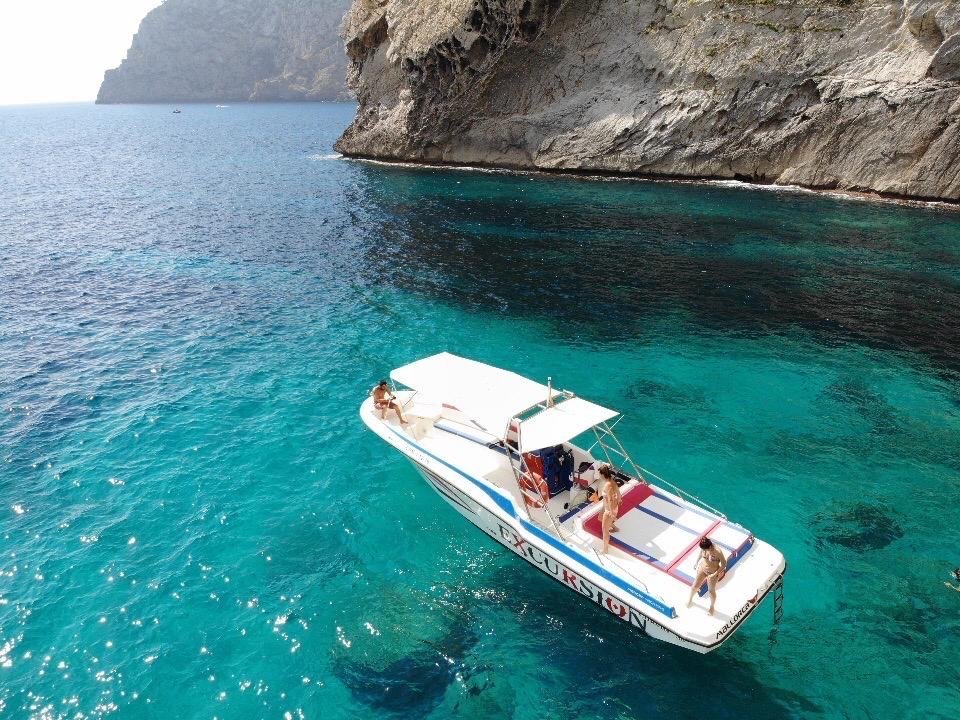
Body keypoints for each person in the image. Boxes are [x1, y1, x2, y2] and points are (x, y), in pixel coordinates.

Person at [687, 537, 727, 615]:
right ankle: (690, 599)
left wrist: (715, 574)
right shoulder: (704, 548)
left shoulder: (718, 551)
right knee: (695, 586)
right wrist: (696, 562)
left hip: (712, 573)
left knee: (711, 591)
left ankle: (712, 607)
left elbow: (724, 564)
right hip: (702, 568)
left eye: (705, 549)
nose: (704, 551)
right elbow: (700, 553)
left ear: (709, 547)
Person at [599, 465, 621, 554]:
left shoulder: (607, 485)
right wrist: (619, 499)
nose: (599, 475)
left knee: (605, 531)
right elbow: (618, 491)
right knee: (600, 518)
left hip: (609, 510)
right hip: (608, 507)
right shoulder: (612, 481)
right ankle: (615, 528)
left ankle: (605, 549)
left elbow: (610, 499)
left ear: (602, 474)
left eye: (599, 474)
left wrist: (611, 513)